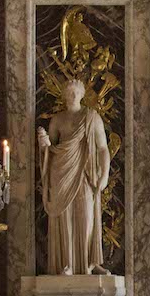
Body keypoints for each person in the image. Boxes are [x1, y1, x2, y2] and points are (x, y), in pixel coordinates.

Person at [37, 77, 111, 275]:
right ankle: (67, 264)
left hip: (86, 174)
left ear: (81, 95)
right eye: (68, 93)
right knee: (66, 218)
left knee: (86, 216)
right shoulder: (57, 120)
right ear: (63, 96)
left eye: (75, 93)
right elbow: (50, 150)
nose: (71, 96)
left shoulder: (91, 117)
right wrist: (43, 143)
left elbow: (103, 148)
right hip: (61, 174)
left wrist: (104, 175)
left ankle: (89, 262)